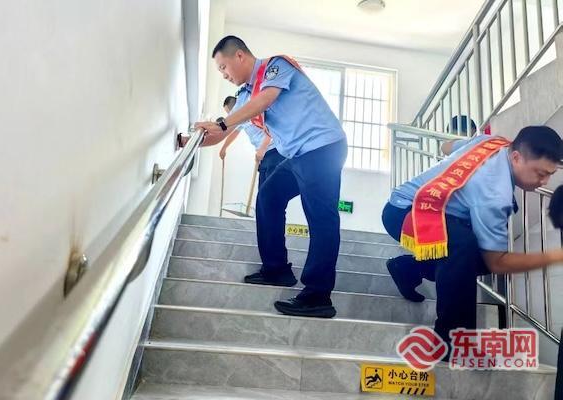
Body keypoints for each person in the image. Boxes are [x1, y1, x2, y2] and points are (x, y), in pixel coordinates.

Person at [195, 35, 347, 318]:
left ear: (240, 56)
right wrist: (186, 141)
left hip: (322, 146)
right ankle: (276, 270)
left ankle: (318, 295)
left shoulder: (275, 66)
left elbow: (266, 99)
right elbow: (221, 133)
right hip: (297, 154)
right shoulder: (244, 95)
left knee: (321, 218)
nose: (224, 75)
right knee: (268, 198)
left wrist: (222, 123)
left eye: (224, 67)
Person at [382, 125, 563, 350]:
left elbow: (446, 146)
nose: (545, 182)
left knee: (474, 255)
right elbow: (497, 263)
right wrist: (555, 256)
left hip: (435, 212)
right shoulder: (494, 195)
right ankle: (452, 342)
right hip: (403, 211)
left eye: (550, 174)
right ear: (516, 157)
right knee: (465, 248)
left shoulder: (493, 142)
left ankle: (409, 269)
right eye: (541, 174)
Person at [218, 95, 285, 188]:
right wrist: (223, 148)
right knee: (263, 190)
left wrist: (262, 149)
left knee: (270, 189)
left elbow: (270, 129)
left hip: (273, 151)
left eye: (230, 113)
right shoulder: (241, 120)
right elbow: (234, 133)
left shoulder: (254, 111)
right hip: (264, 156)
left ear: (237, 107)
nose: (230, 117)